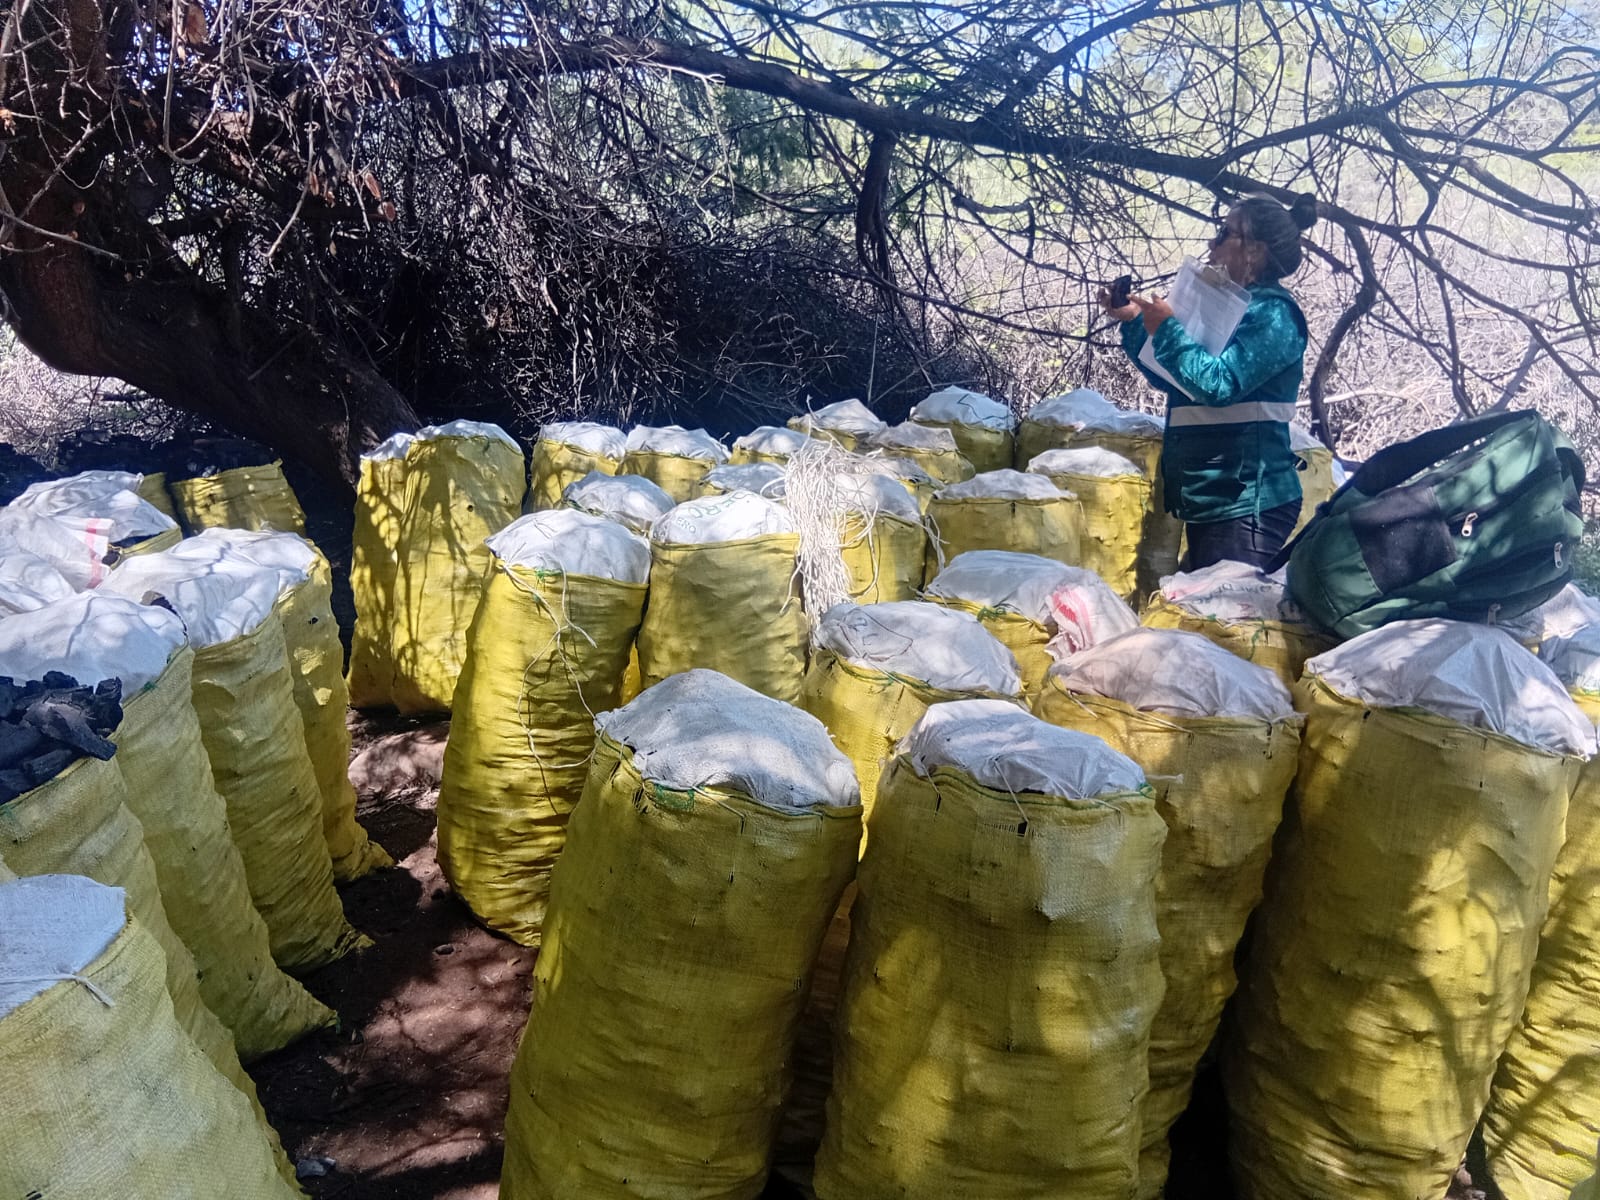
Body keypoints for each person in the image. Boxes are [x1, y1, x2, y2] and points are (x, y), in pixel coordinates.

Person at [1100, 193, 1318, 569]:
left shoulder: (1274, 316)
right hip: (1212, 497)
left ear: (1254, 251)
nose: (1211, 243)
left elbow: (1219, 385)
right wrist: (1136, 321)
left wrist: (1166, 329)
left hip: (1248, 503)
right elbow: (1176, 379)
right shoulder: (1230, 305)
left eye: (1224, 233)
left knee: (1220, 608)